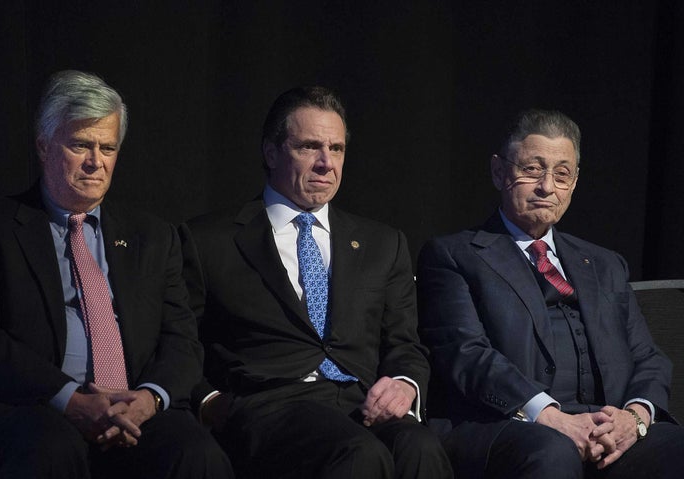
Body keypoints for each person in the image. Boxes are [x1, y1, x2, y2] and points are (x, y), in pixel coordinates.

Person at [0, 70, 233, 479]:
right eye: (80, 145)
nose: (96, 162)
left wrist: (149, 400)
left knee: (199, 456)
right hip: (36, 407)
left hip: (136, 409)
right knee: (47, 453)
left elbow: (182, 340)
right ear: (43, 146)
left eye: (107, 148)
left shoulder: (154, 236)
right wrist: (69, 399)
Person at [179, 86, 452, 478]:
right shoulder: (209, 240)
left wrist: (405, 385)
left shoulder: (382, 243)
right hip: (270, 404)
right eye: (309, 147)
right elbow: (178, 340)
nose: (327, 163)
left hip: (360, 399)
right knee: (358, 454)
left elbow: (404, 343)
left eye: (337, 148)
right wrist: (208, 401)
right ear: (271, 152)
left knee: (422, 448)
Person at [417, 108, 684, 478]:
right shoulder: (454, 255)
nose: (547, 186)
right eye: (531, 170)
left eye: (562, 174)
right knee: (553, 452)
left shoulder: (606, 264)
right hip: (507, 425)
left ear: (574, 183)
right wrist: (548, 415)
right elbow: (465, 353)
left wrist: (634, 420)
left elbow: (648, 357)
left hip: (606, 426)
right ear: (499, 171)